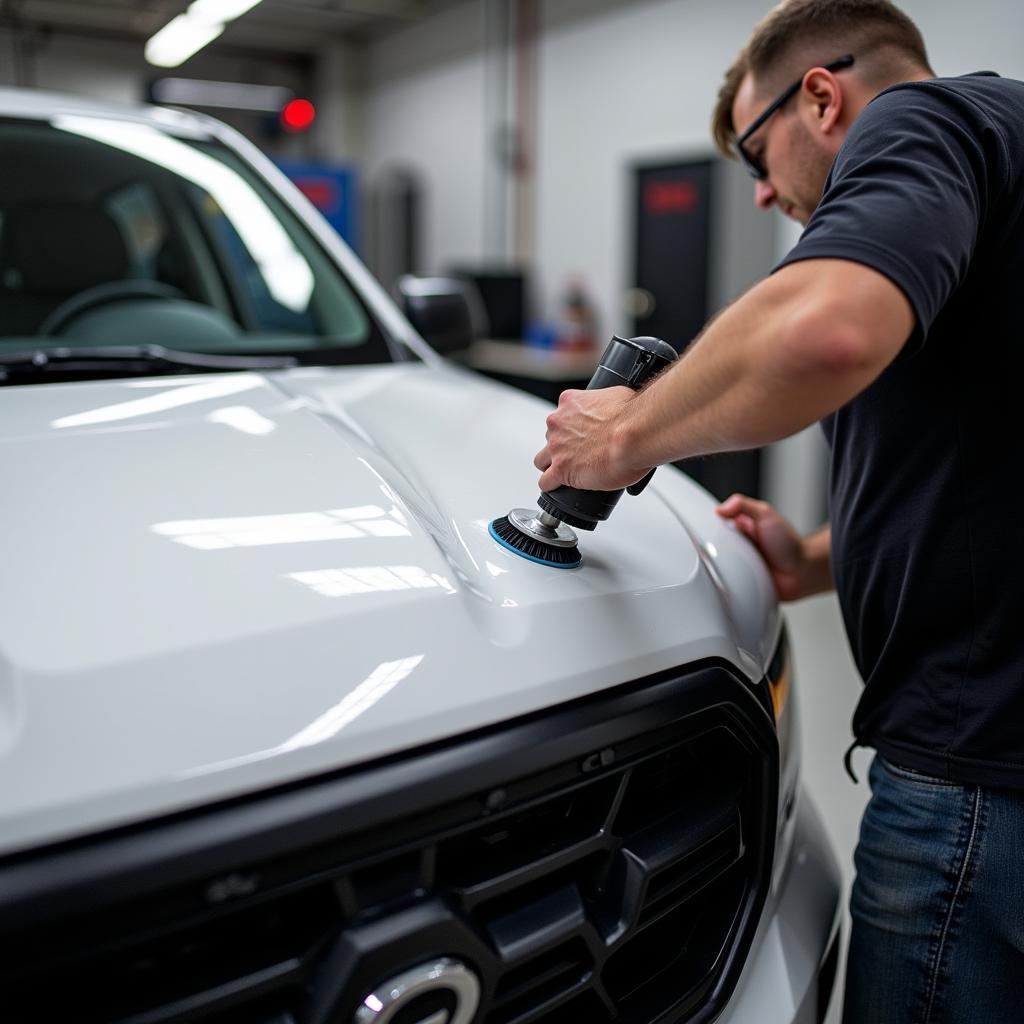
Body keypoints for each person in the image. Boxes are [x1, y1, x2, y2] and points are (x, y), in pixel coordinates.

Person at [533, 1, 1024, 1020]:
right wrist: (810, 557)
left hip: (979, 774)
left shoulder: (915, 123)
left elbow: (828, 330)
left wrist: (619, 436)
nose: (761, 189)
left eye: (757, 153)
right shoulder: (1007, 150)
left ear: (820, 96)